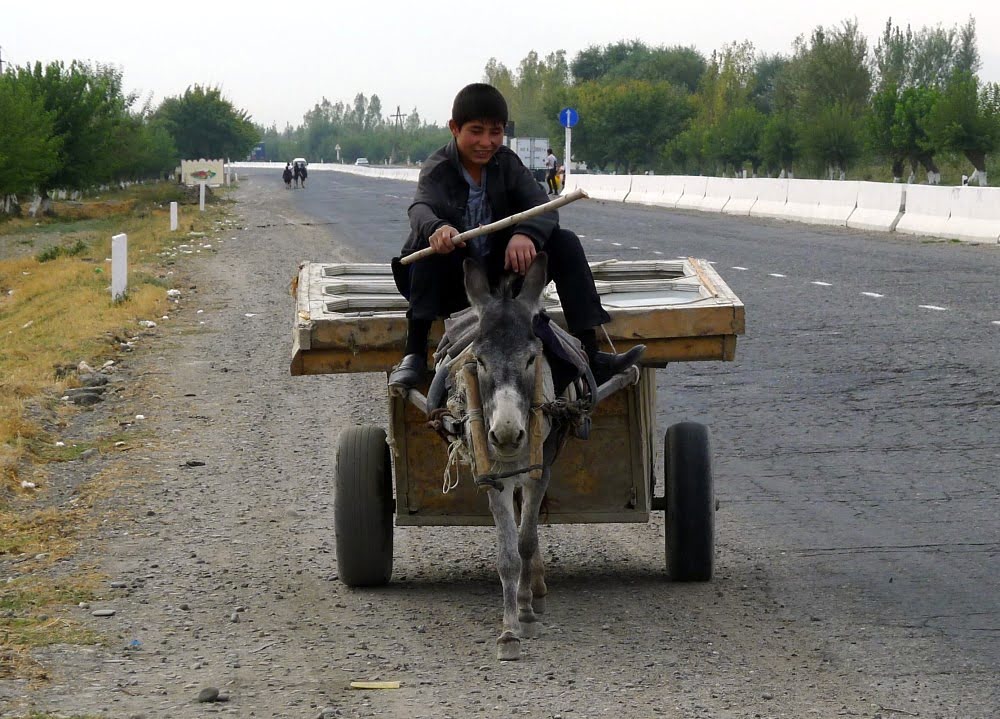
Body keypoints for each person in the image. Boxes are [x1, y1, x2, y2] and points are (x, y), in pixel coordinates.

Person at [388, 83, 643, 390]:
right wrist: (437, 229)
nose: (486, 142)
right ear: (454, 128)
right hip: (456, 285)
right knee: (434, 250)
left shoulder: (507, 163)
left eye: (495, 132)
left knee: (565, 242)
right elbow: (420, 208)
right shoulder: (437, 169)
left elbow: (544, 207)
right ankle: (414, 354)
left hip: (503, 278)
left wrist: (527, 234)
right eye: (476, 131)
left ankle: (591, 353)